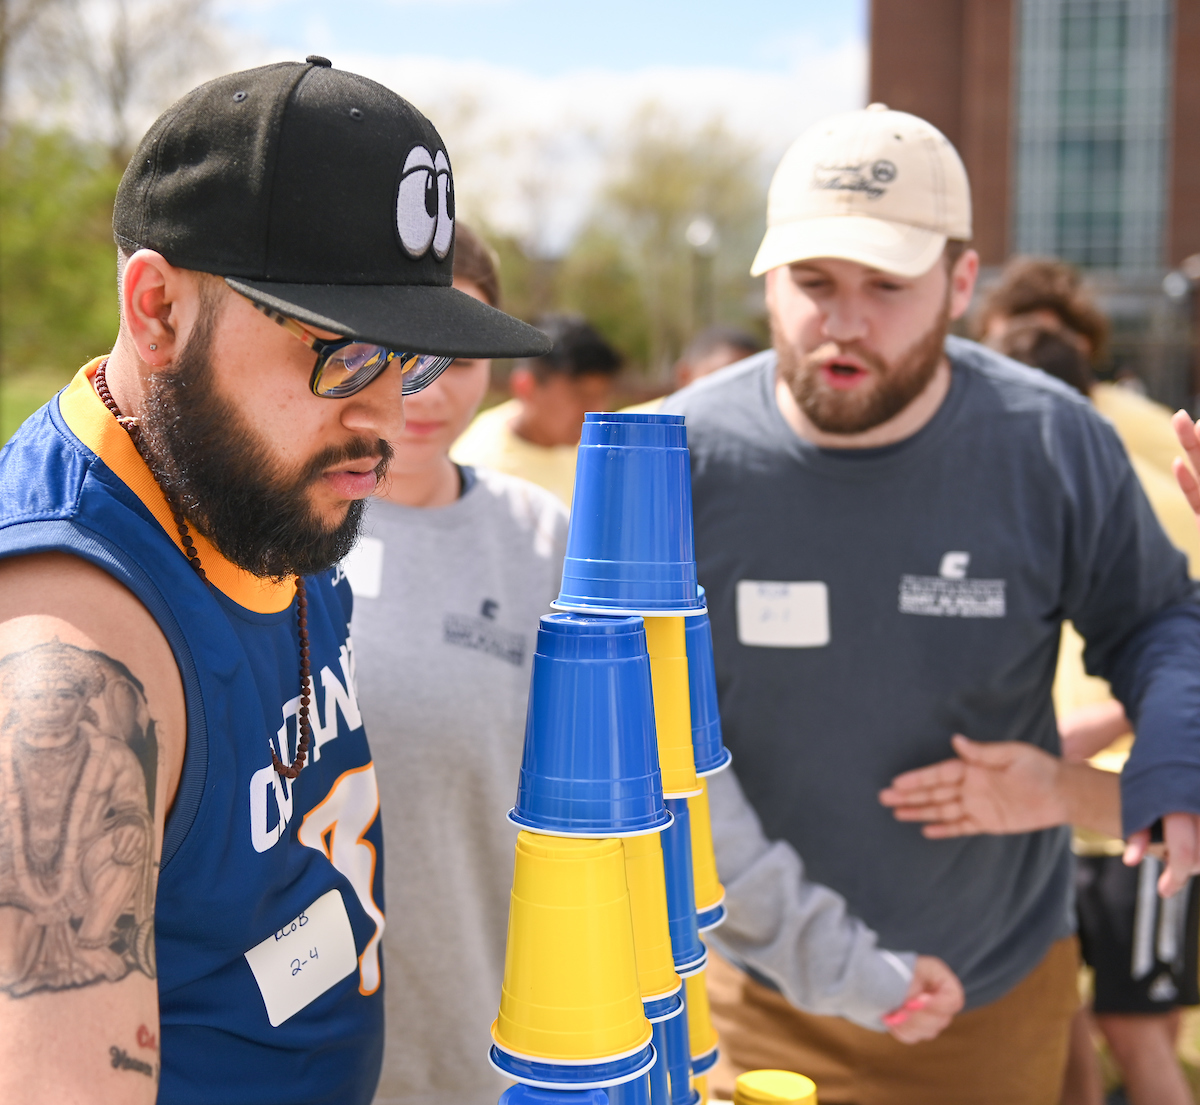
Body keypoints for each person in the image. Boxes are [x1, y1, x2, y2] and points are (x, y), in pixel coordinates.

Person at [0, 59, 548, 1104]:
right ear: (158, 309)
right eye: (339, 351)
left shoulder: (253, 490)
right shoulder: (65, 671)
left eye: (411, 357)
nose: (386, 417)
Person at [659, 103, 1200, 1105]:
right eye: (814, 283)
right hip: (746, 993)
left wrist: (1171, 761)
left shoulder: (1052, 441)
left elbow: (1156, 622)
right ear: (767, 279)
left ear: (959, 283)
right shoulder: (673, 454)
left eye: (887, 286)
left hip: (989, 996)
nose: (844, 322)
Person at [347, 224, 569, 1105]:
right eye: (403, 351)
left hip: (485, 1039)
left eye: (460, 356)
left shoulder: (541, 536)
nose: (428, 388)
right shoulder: (272, 530)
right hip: (296, 1052)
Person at [450, 314, 621, 505]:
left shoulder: (591, 448)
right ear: (526, 387)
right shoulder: (480, 474)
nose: (596, 410)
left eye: (602, 395)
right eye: (580, 395)